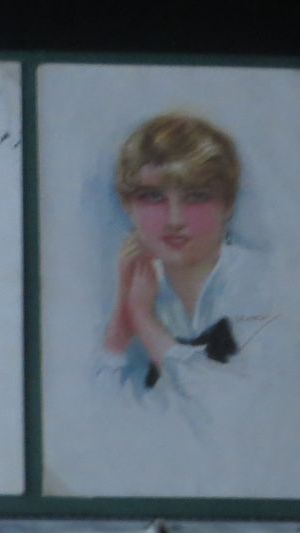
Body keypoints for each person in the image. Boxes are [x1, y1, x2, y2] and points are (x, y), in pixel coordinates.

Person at [97, 113, 276, 417]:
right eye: (154, 197)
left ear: (228, 205)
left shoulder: (261, 281)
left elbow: (236, 409)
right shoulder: (143, 285)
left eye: (196, 197)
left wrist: (144, 321)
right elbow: (99, 410)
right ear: (128, 205)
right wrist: (122, 315)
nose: (175, 219)